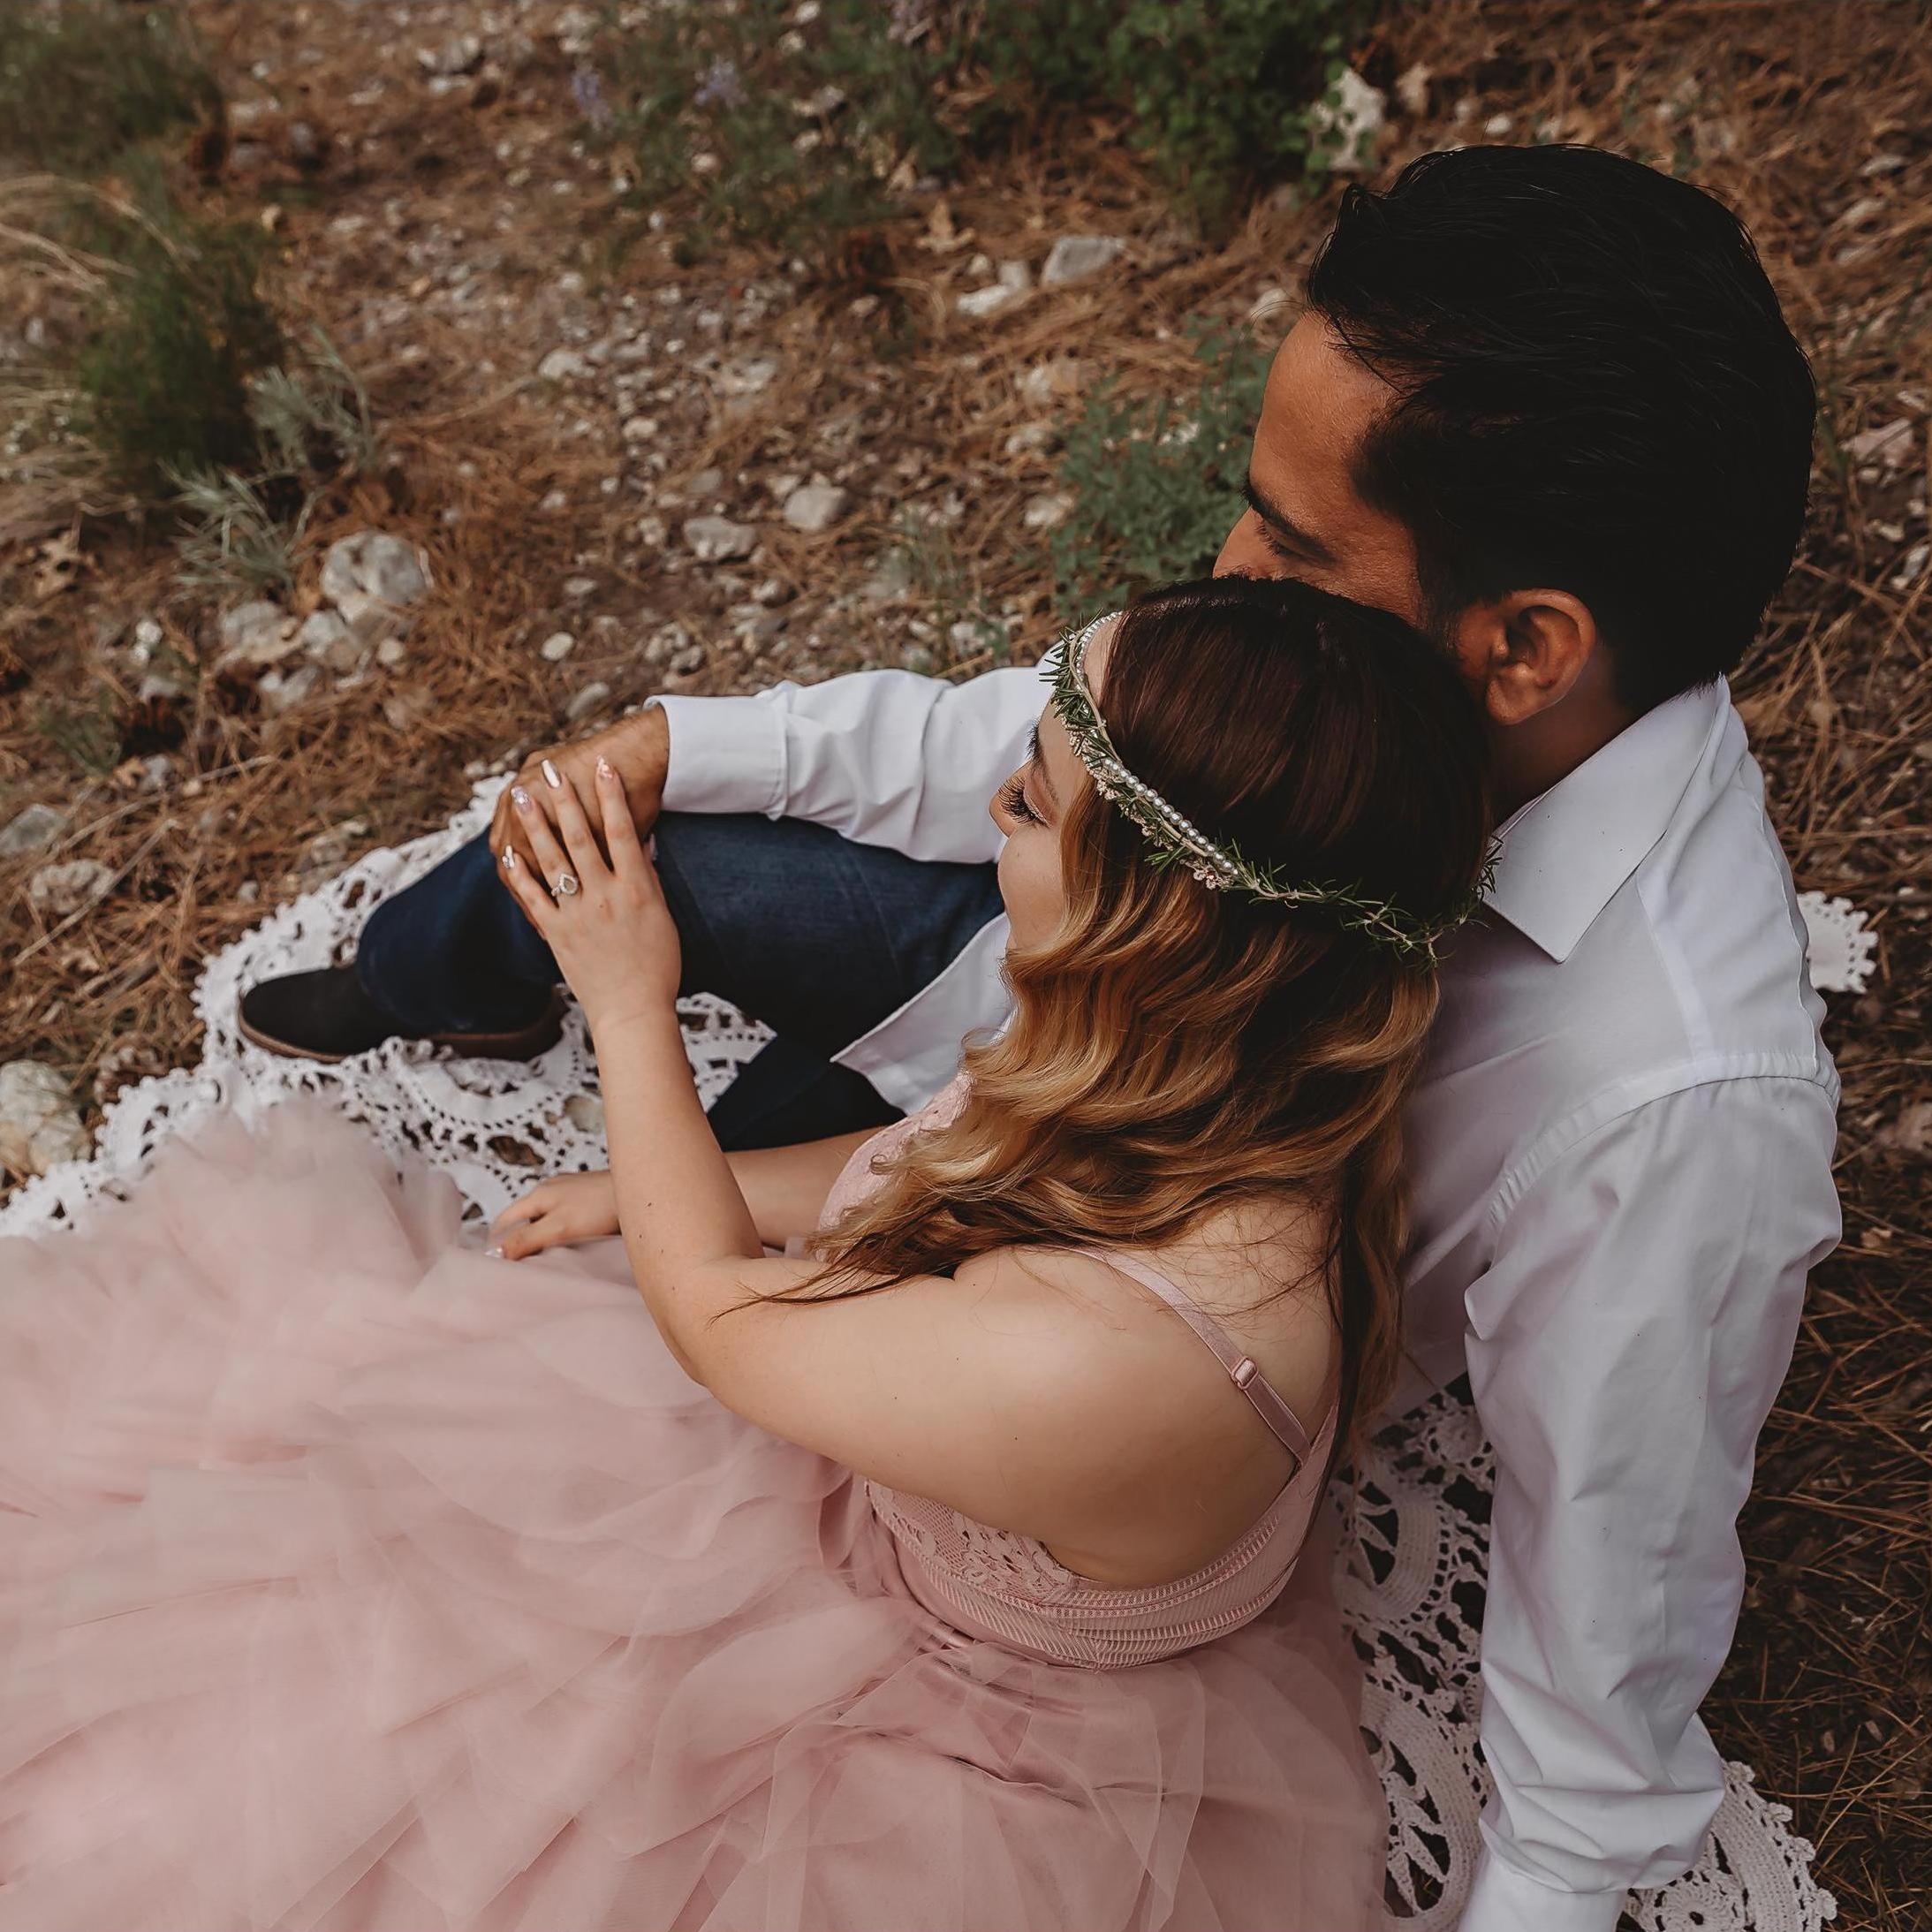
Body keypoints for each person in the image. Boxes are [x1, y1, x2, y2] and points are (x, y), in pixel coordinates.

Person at [239, 142, 1843, 1927]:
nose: (1230, 563)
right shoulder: (1297, 702)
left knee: (548, 1479)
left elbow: (1612, 1584)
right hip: (1030, 1058)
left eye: (1291, 542)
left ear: (1522, 649)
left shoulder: (1671, 1104)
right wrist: (684, 747)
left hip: (1039, 1352)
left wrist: (651, 1042)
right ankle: (427, 975)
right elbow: (1018, 744)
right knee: (633, 860)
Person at [1, 577, 1489, 1930]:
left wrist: (627, 999)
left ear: (1155, 915)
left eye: (1031, 805)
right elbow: (948, 1157)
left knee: (383, 1705)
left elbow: (715, 1319)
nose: (992, 809)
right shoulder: (1231, 1070)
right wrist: (660, 1184)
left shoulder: (1110, 1359)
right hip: (934, 1436)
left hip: (949, 1713)